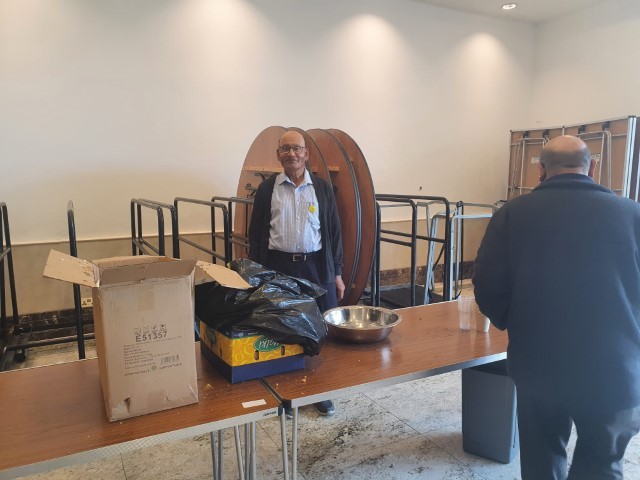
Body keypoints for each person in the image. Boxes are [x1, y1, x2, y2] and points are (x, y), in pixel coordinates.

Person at [473, 135, 640, 479]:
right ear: (592, 168)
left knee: (541, 461)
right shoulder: (632, 215)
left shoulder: (512, 215)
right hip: (615, 369)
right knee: (602, 465)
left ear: (540, 171)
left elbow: (487, 287)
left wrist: (517, 323)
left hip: (539, 365)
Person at [248, 130, 345, 417]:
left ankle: (320, 391)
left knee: (319, 330)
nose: (292, 153)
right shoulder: (267, 190)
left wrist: (337, 273)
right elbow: (256, 234)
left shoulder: (322, 189)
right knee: (282, 330)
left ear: (306, 154)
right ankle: (287, 395)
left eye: (297, 148)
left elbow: (334, 233)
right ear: (278, 154)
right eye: (286, 149)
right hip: (279, 267)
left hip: (316, 266)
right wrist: (257, 275)